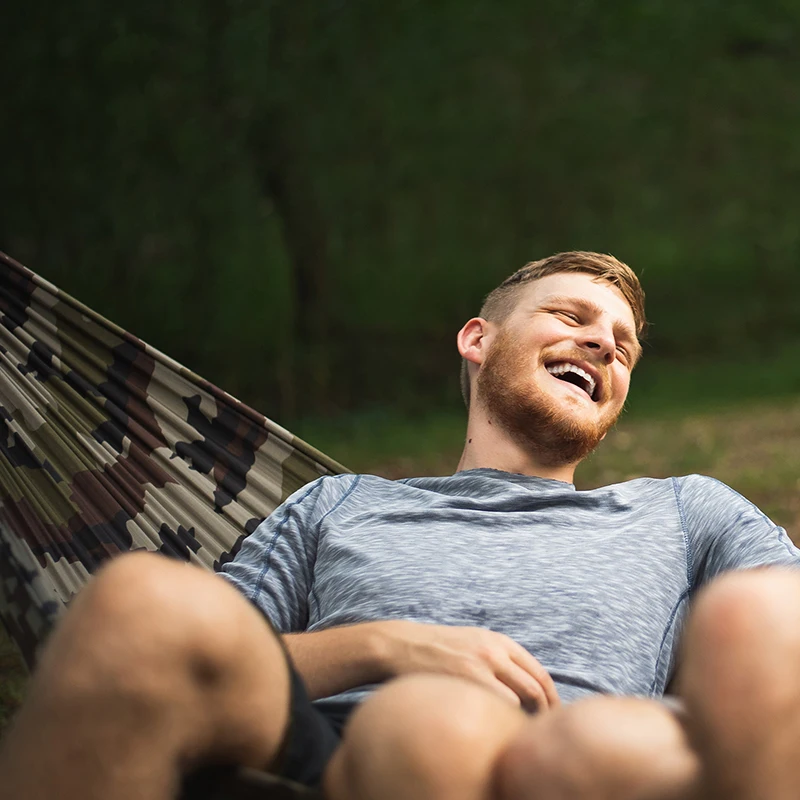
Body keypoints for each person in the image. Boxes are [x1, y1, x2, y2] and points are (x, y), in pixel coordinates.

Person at [2, 250, 800, 800]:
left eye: (623, 346)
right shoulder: (337, 504)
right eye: (571, 315)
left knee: (436, 725)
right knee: (140, 601)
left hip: (582, 763)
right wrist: (382, 646)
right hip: (323, 759)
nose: (604, 343)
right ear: (477, 340)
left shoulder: (682, 512)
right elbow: (208, 665)